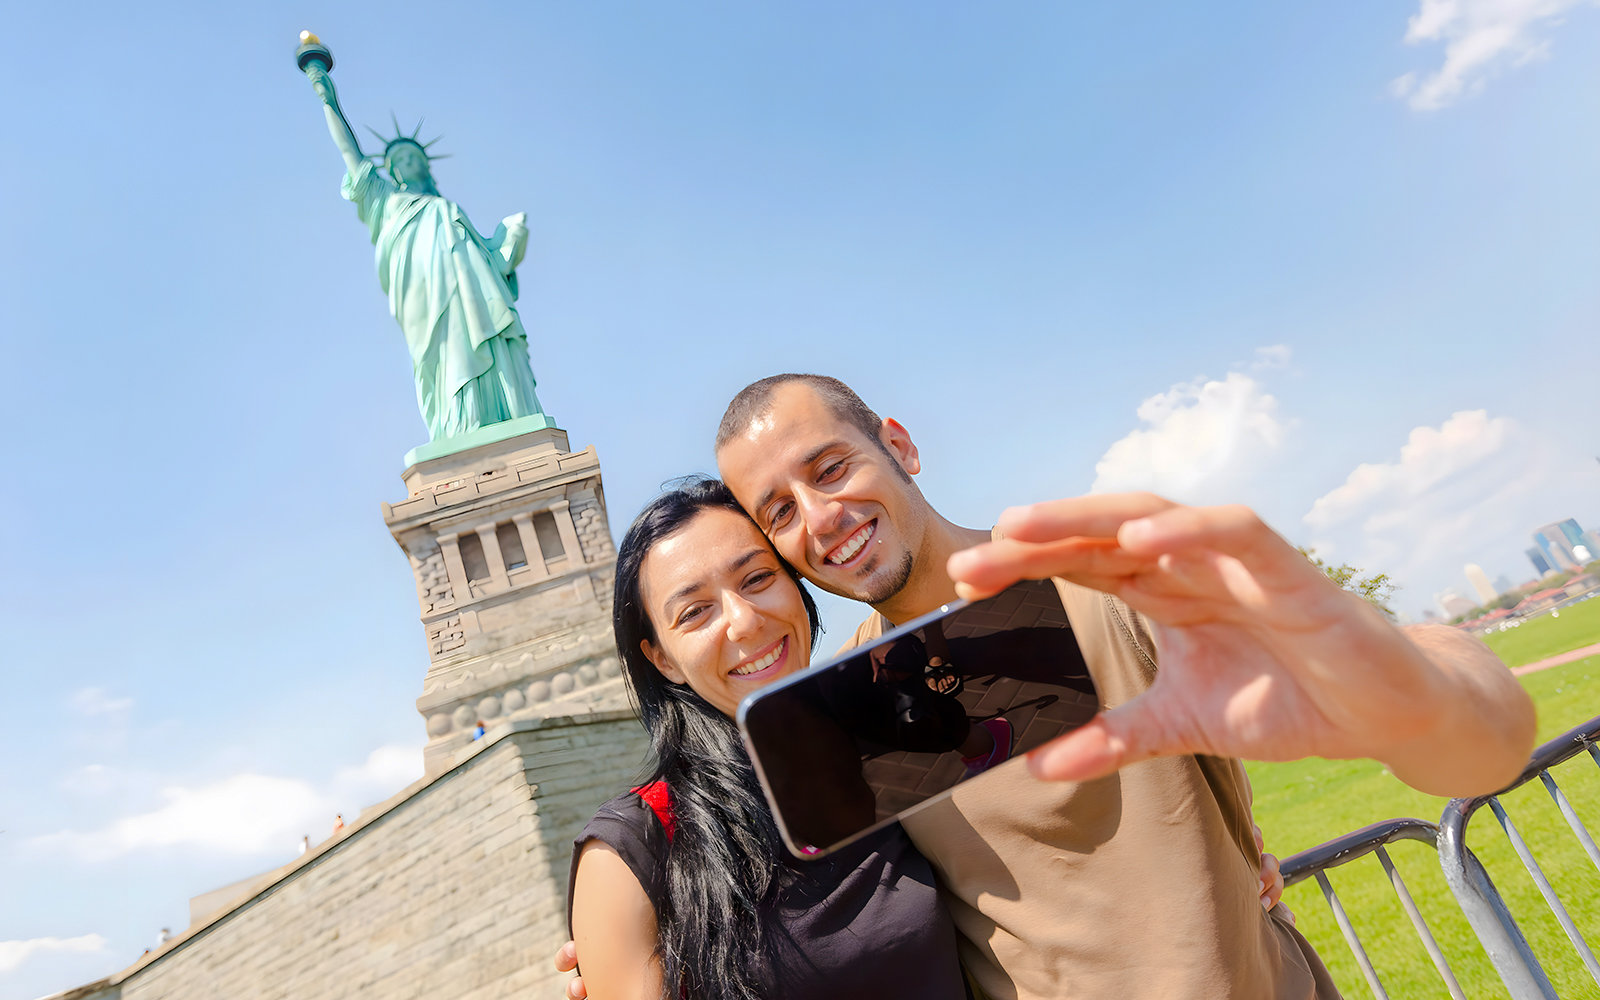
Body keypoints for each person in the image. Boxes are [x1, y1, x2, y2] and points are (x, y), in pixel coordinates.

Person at [561, 373, 1535, 1000]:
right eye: (780, 510)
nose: (821, 516)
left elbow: (1485, 744)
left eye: (830, 467)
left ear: (898, 444)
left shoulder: (1096, 579)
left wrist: (1403, 690)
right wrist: (638, 948)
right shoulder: (852, 698)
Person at [566, 478, 969, 1000]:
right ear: (663, 659)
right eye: (694, 612)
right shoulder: (636, 846)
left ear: (796, 584)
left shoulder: (891, 739)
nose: (743, 621)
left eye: (757, 578)